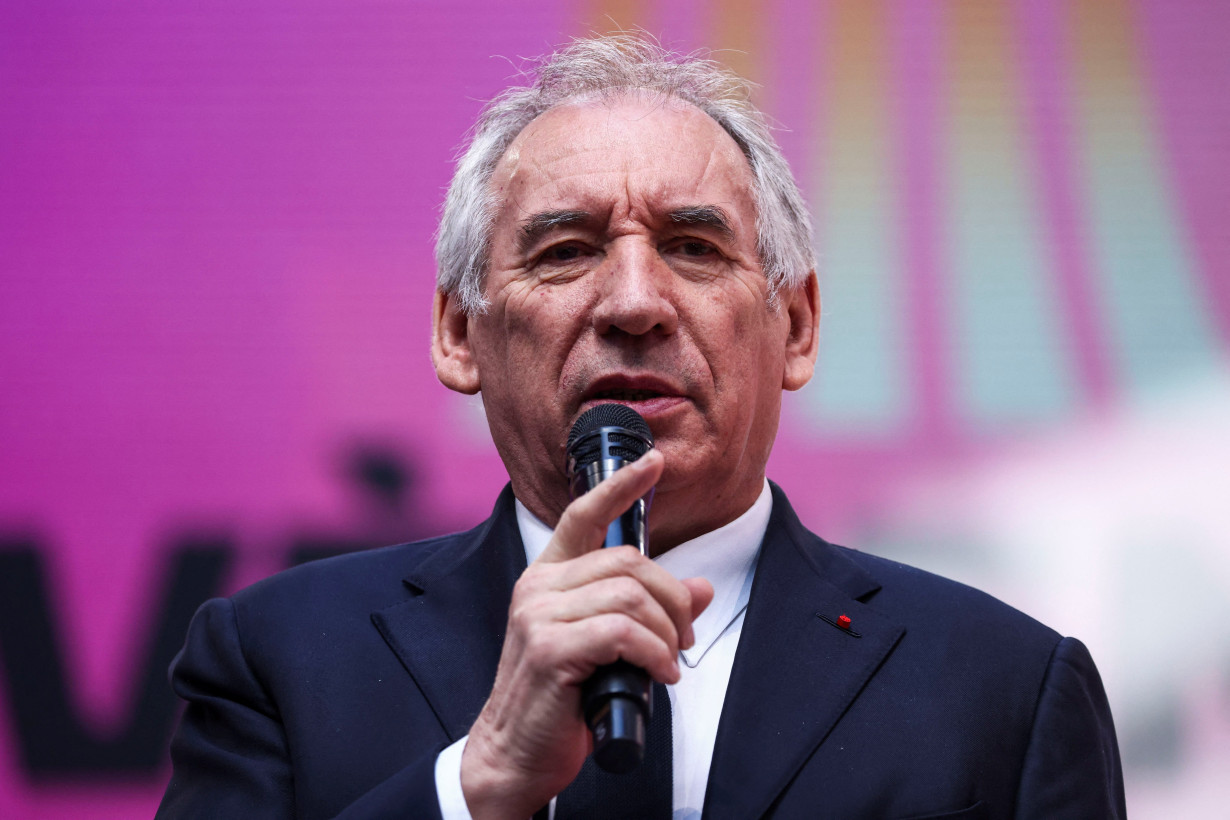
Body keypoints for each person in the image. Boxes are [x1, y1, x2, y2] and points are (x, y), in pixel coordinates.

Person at [158, 36, 1125, 819]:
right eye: (566, 251)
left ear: (795, 327)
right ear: (459, 334)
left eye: (693, 248)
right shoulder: (280, 659)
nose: (633, 302)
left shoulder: (1005, 687)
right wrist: (474, 787)